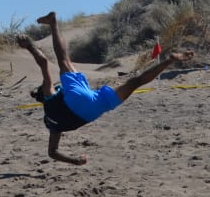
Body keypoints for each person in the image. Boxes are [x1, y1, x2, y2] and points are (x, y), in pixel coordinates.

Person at [17, 11, 194, 165]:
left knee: (135, 82)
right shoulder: (49, 95)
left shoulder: (51, 124)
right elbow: (44, 63)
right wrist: (30, 46)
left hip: (94, 109)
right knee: (64, 60)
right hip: (77, 98)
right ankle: (53, 22)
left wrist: (75, 161)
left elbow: (52, 152)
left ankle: (169, 61)